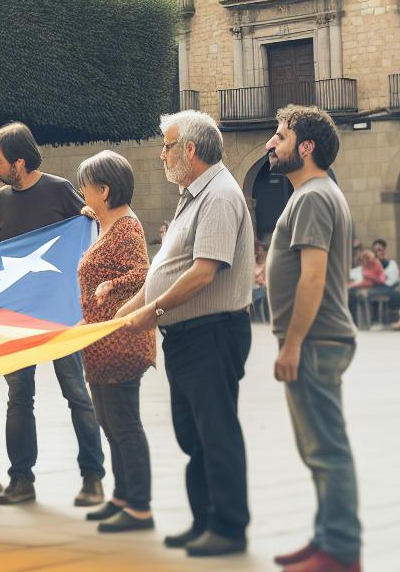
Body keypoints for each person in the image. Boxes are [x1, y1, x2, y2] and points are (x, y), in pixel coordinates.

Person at [115, 109, 254, 558]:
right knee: (192, 434)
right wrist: (129, 308)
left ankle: (228, 527)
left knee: (215, 433)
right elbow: (168, 267)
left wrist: (151, 310)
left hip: (210, 333)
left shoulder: (219, 196)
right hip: (190, 335)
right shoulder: (193, 195)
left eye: (167, 146)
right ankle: (204, 521)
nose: (161, 155)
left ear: (190, 150)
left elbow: (202, 273)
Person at [0, 122, 106, 507]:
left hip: (61, 315)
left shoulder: (59, 190)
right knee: (19, 398)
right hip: (17, 318)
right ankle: (21, 480)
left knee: (77, 395)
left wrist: (91, 217)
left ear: (18, 161)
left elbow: (93, 233)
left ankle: (93, 478)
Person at [263, 105, 362, 572]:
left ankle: (340, 550)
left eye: (280, 137)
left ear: (306, 147)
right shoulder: (319, 194)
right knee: (318, 448)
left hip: (316, 342)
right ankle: (327, 538)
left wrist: (291, 344)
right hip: (319, 340)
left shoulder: (312, 197)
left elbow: (313, 278)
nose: (270, 143)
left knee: (326, 450)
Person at [73, 150, 158, 535]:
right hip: (100, 343)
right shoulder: (107, 222)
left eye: (86, 187)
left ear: (104, 190)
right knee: (109, 423)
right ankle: (122, 497)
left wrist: (113, 286)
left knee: (124, 424)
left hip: (121, 341)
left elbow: (143, 273)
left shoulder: (128, 228)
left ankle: (139, 506)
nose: (81, 192)